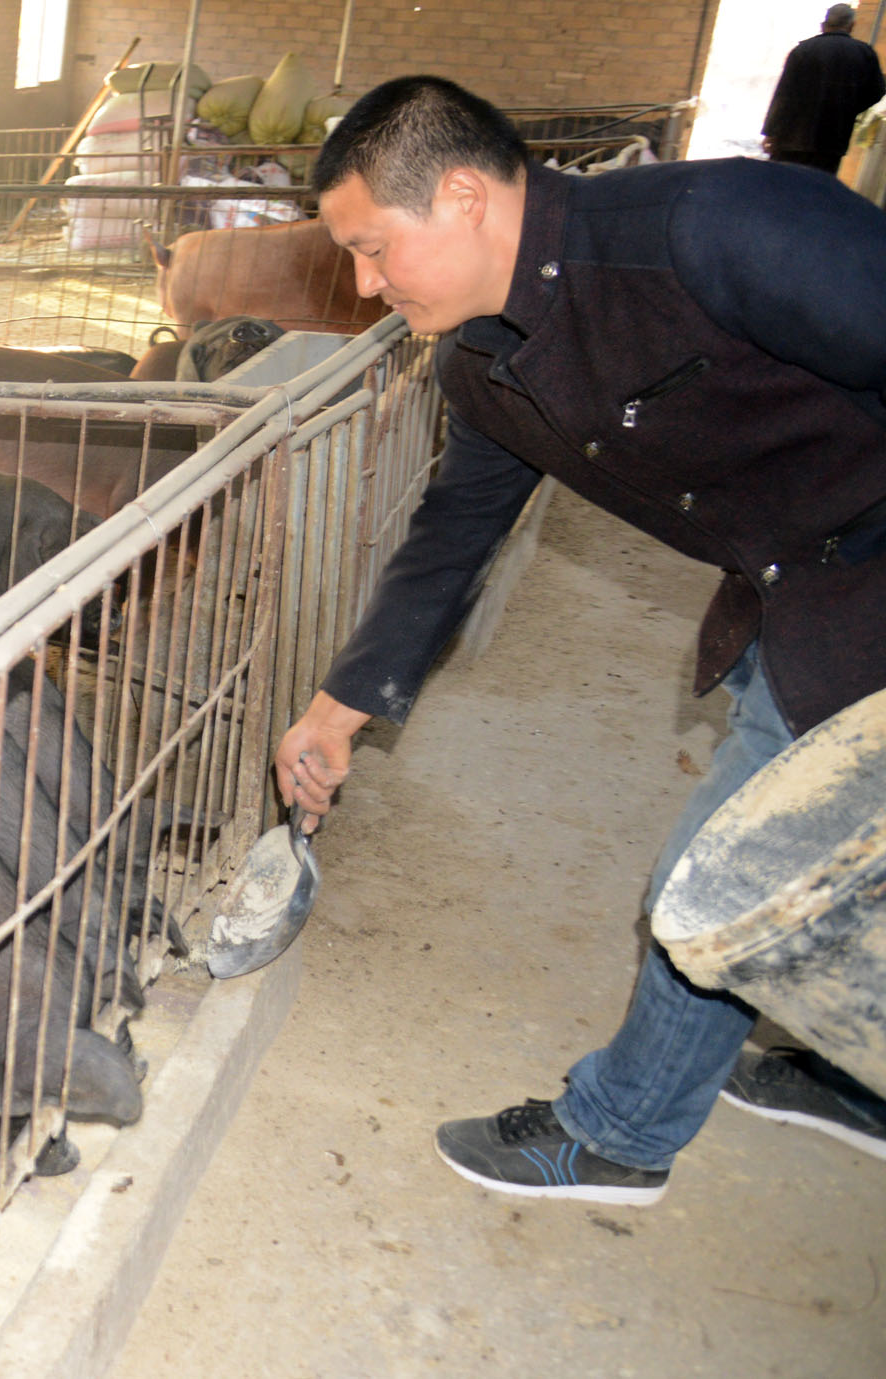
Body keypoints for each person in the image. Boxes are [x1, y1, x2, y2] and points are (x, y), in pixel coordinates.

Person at [279, 75, 886, 1204]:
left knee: (707, 882)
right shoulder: (483, 360)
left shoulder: (716, 232)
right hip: (787, 583)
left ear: (460, 197)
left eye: (370, 249)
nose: (361, 286)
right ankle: (866, 1079)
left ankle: (619, 1132)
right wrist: (340, 701)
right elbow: (455, 528)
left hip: (866, 582)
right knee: (827, 870)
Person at [761, 3, 885, 174]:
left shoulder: (802, 51)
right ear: (851, 26)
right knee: (819, 191)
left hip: (791, 139)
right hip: (832, 141)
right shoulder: (865, 54)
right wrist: (848, 110)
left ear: (823, 25)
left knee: (783, 187)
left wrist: (771, 132)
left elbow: (784, 94)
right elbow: (876, 92)